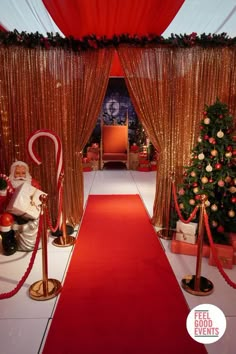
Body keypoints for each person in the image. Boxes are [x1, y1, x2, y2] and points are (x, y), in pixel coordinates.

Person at [0, 161, 42, 255]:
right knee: (5, 219)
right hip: (11, 212)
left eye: (23, 173)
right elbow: (2, 202)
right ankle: (8, 242)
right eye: (17, 173)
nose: (21, 176)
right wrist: (2, 192)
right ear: (13, 173)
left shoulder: (33, 183)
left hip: (28, 211)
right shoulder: (7, 184)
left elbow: (38, 198)